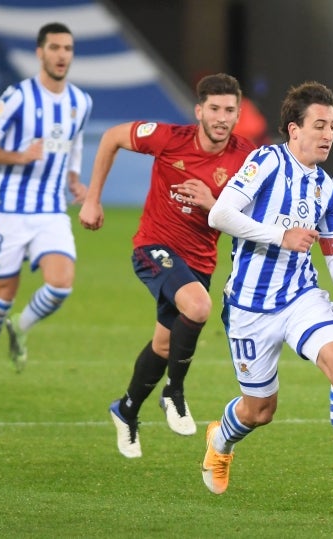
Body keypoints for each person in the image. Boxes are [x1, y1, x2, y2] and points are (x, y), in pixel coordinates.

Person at [203, 81, 333, 509]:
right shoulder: (265, 161)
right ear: (294, 130)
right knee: (260, 410)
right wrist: (278, 235)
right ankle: (221, 438)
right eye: (319, 125)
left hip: (300, 295)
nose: (328, 135)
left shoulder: (327, 187)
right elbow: (220, 213)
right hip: (249, 305)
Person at [78, 73, 255, 458]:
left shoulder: (247, 158)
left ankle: (125, 410)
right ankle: (173, 393)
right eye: (214, 109)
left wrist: (213, 203)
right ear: (199, 111)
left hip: (199, 261)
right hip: (154, 247)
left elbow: (254, 213)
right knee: (199, 306)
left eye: (229, 110)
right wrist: (93, 199)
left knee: (164, 343)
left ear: (238, 114)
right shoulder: (167, 138)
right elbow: (111, 138)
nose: (222, 117)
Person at [0, 22, 92, 396]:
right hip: (9, 210)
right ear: (40, 53)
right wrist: (19, 156)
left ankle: (20, 327)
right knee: (2, 292)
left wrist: (73, 179)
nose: (62, 55)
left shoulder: (80, 102)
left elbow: (75, 143)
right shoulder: (17, 96)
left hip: (51, 209)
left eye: (67, 48)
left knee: (61, 283)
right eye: (54, 48)